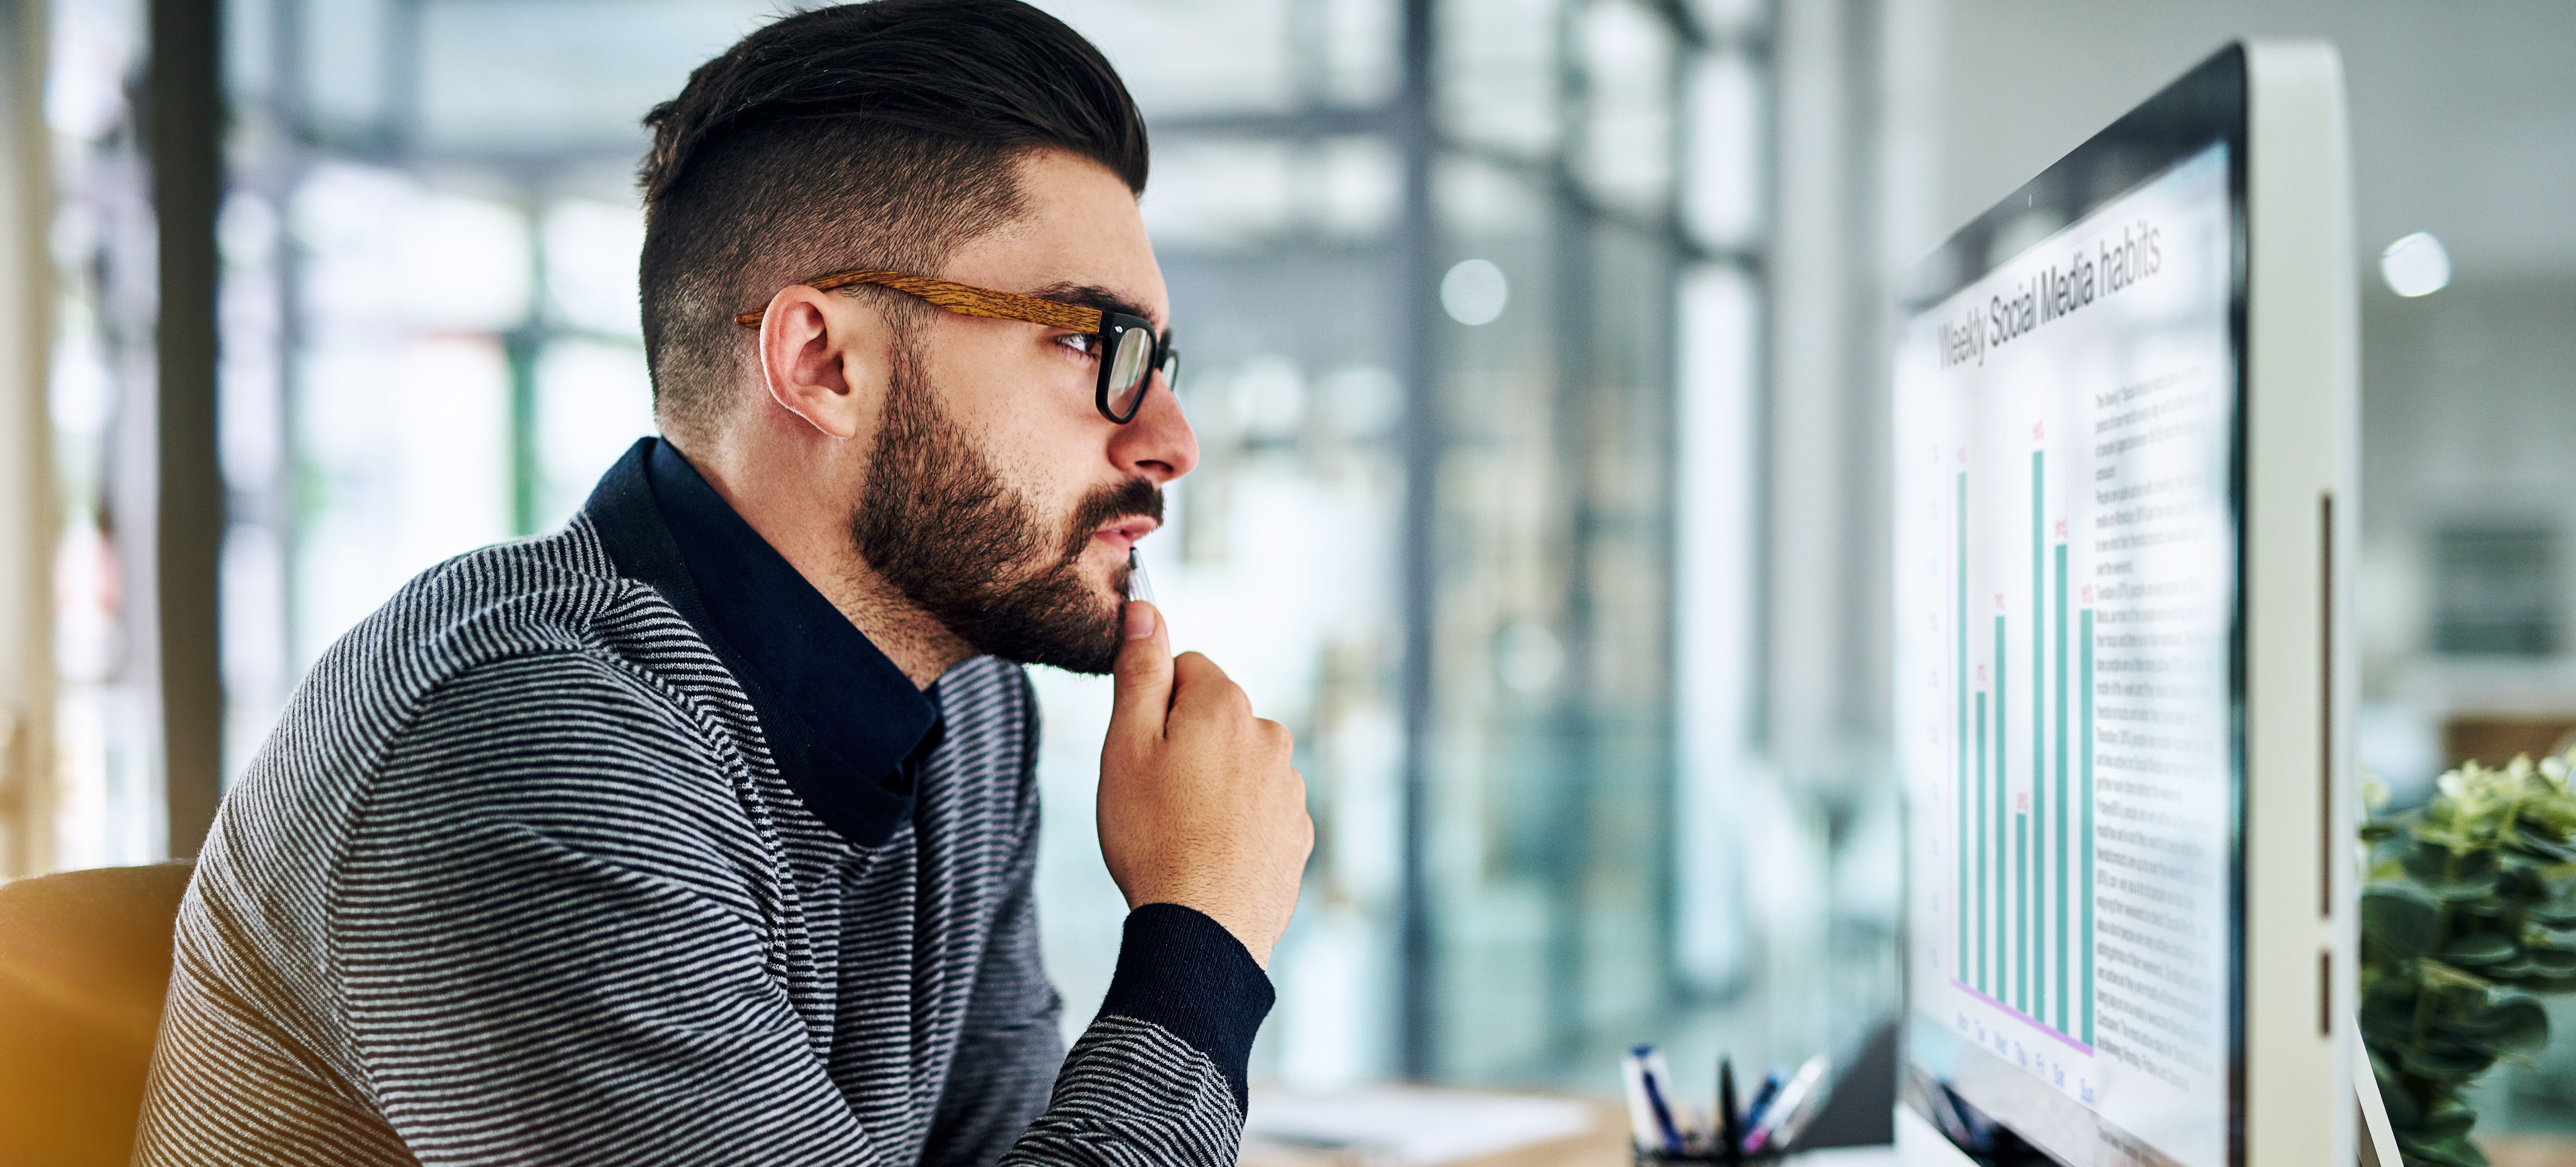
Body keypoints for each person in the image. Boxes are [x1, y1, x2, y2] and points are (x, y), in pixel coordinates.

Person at [132, 2, 1313, 1162]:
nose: (1171, 439)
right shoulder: (527, 740)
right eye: (1092, 342)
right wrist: (1199, 940)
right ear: (822, 362)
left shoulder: (967, 711)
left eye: (1158, 360)